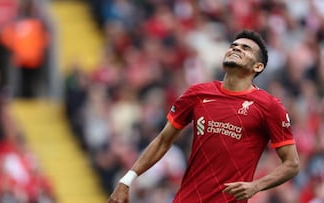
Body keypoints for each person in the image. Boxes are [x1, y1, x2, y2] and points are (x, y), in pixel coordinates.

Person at [107, 30, 300, 203]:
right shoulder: (198, 94)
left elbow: (291, 164)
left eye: (245, 48)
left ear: (258, 67)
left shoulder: (269, 106)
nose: (236, 49)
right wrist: (126, 180)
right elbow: (163, 141)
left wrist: (256, 186)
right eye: (233, 46)